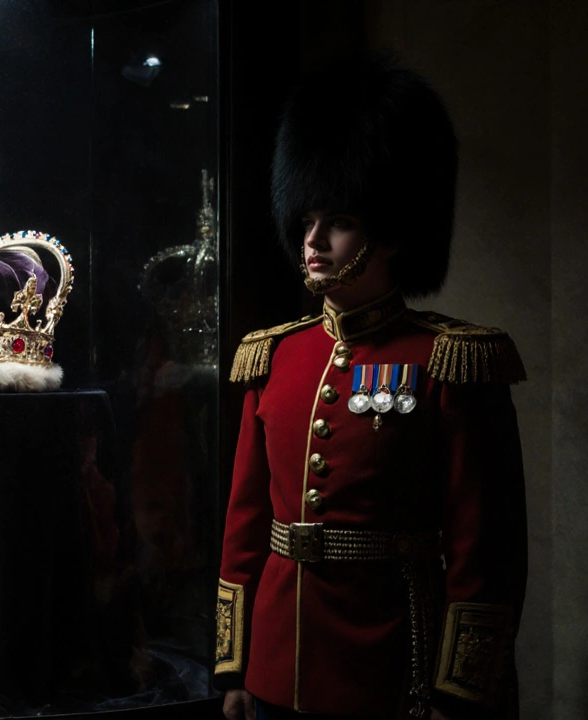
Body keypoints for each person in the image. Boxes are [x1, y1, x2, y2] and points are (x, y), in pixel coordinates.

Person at [215, 55, 528, 720]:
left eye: (340, 221)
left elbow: (485, 545)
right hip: (275, 665)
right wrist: (234, 665)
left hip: (393, 672)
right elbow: (246, 526)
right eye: (306, 221)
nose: (314, 240)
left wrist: (459, 688)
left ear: (391, 232)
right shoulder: (273, 357)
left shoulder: (452, 361)